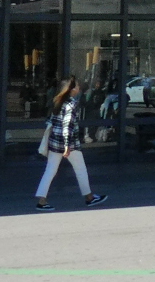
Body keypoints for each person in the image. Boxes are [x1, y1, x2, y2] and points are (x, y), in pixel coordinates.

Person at [34, 76, 107, 210]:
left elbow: (52, 121)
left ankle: (42, 201)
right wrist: (67, 145)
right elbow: (67, 126)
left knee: (50, 170)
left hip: (55, 142)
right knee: (81, 170)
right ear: (71, 89)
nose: (79, 88)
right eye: (77, 86)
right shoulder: (71, 104)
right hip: (69, 144)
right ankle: (89, 198)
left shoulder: (58, 102)